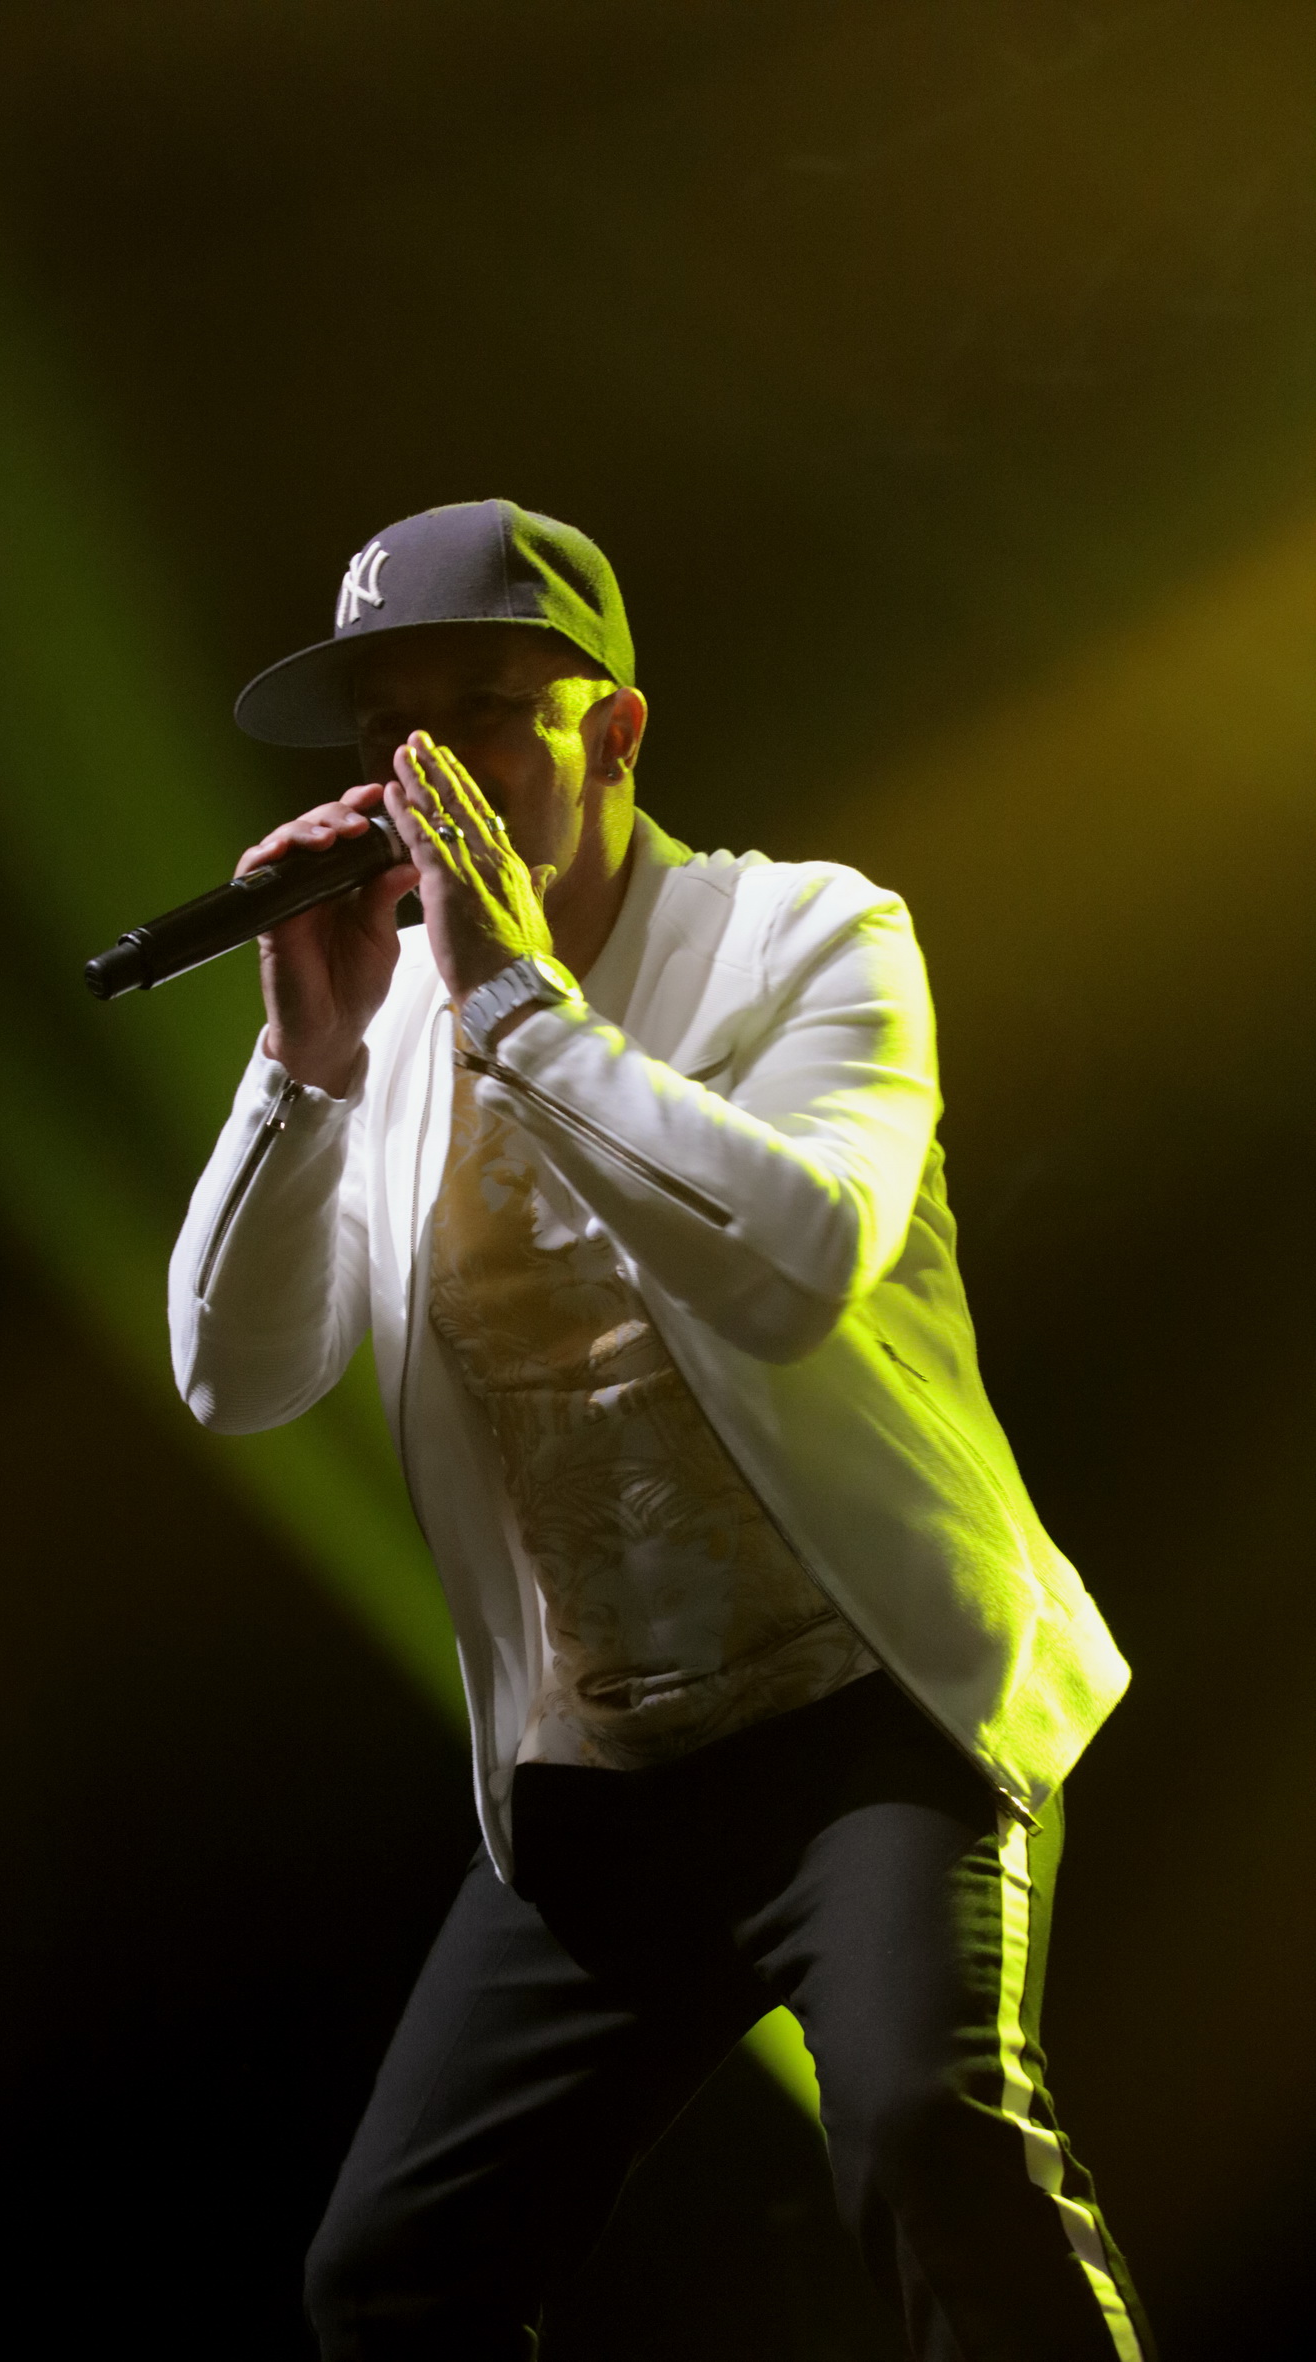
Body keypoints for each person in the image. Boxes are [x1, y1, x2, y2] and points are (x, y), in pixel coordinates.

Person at [168, 499, 1152, 2360]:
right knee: (386, 2276)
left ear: (613, 730)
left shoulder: (810, 932)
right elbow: (239, 1375)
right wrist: (304, 1067)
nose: (423, 774)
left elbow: (794, 1265)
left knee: (924, 2128)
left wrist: (513, 1002)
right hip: (605, 1763)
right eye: (387, 731)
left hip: (873, 1709)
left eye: (480, 709)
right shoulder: (386, 1036)